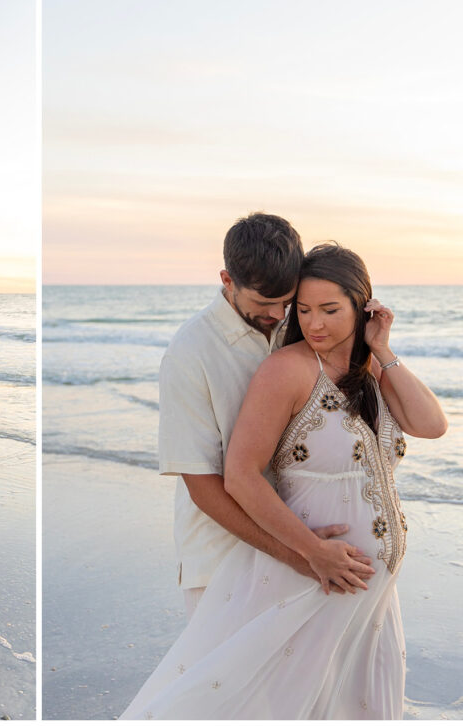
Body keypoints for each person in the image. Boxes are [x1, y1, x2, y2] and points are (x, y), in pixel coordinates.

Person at [122, 244, 447, 719]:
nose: (314, 323)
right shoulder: (284, 368)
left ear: (363, 304)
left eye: (330, 310)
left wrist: (383, 348)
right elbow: (236, 475)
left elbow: (431, 425)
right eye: (305, 310)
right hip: (311, 576)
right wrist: (310, 554)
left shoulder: (368, 369)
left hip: (369, 594)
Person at [158, 214, 372, 622]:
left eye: (286, 302)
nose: (278, 314)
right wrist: (299, 553)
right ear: (227, 280)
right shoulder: (191, 353)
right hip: (222, 559)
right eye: (263, 303)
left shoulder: (298, 326)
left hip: (305, 548)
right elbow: (203, 487)